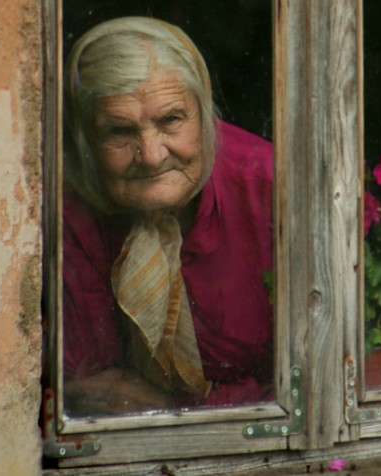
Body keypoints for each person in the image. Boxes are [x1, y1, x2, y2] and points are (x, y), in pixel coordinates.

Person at [61, 17, 274, 415]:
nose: (153, 154)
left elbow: (312, 383)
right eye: (118, 131)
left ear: (204, 111)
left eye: (171, 120)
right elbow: (87, 387)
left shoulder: (270, 187)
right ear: (86, 139)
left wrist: (179, 407)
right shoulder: (70, 209)